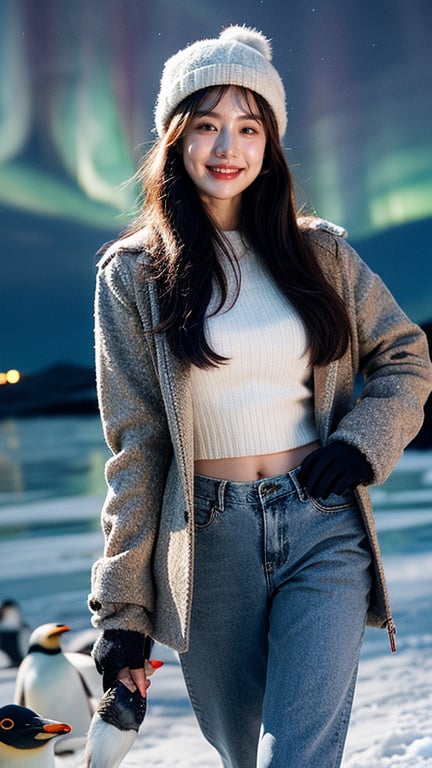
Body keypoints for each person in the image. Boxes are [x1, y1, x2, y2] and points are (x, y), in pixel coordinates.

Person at [88, 25, 432, 768]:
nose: (227, 147)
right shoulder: (132, 276)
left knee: (293, 758)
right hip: (207, 544)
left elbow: (405, 357)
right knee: (245, 754)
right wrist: (123, 610)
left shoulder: (324, 254)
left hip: (322, 524)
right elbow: (137, 446)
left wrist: (360, 443)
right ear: (175, 138)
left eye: (249, 127)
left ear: (271, 144)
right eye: (207, 125)